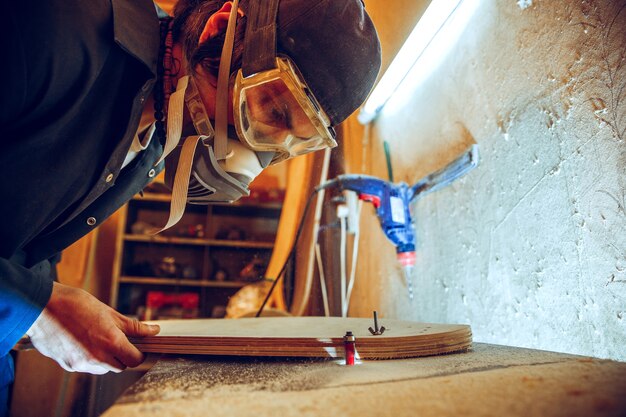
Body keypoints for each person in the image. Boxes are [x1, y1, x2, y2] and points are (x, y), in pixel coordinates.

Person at [0, 0, 380, 413]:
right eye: (272, 108)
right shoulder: (43, 27)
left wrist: (49, 298)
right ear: (220, 30)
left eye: (288, 140)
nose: (257, 150)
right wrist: (37, 309)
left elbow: (27, 236)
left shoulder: (155, 133)